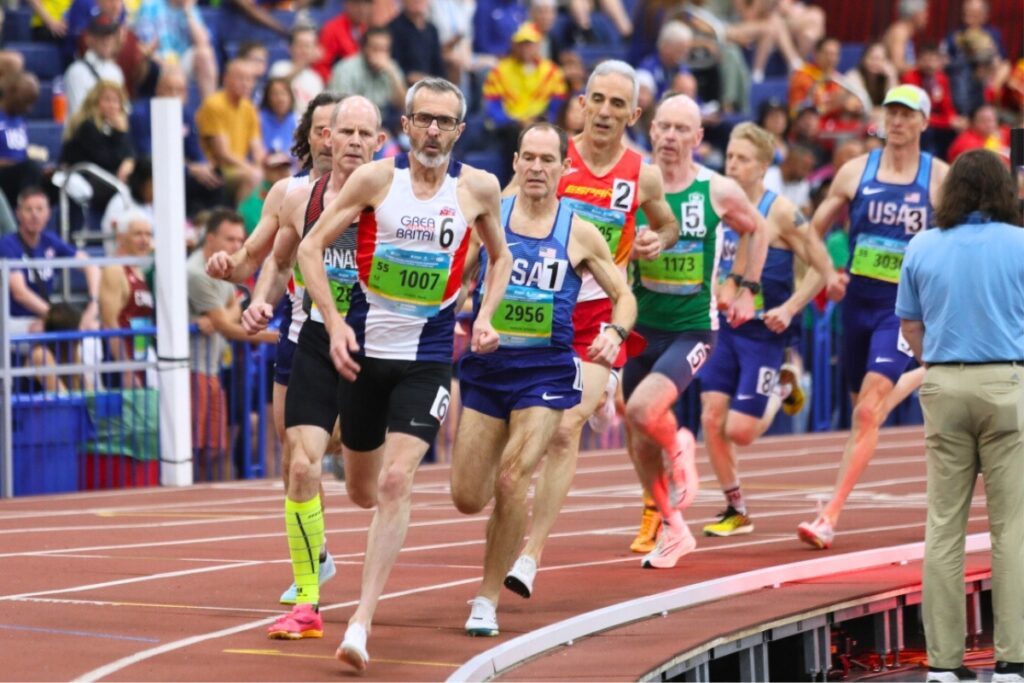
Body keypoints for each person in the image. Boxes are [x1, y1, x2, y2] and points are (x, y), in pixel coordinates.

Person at [295, 77, 511, 671]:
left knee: (395, 482)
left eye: (445, 121)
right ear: (407, 124)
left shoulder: (479, 189)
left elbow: (502, 256)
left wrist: (486, 315)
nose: (434, 131)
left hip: (429, 359)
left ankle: (360, 622)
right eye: (424, 119)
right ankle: (348, 491)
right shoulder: (375, 181)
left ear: (459, 131)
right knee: (362, 489)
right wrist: (336, 325)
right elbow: (309, 249)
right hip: (365, 356)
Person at [450, 122, 637, 636]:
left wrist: (615, 334)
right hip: (490, 368)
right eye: (527, 158)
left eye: (546, 159)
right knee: (468, 495)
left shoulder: (578, 231)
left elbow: (624, 295)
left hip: (545, 374)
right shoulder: (493, 220)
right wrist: (471, 319)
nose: (536, 167)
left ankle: (486, 598)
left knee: (513, 480)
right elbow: (460, 279)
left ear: (563, 168)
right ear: (515, 163)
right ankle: (507, 518)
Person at [504, 60, 678, 589]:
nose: (604, 111)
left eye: (617, 104)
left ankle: (531, 555)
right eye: (596, 99)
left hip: (601, 316)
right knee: (517, 441)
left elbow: (666, 222)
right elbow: (506, 210)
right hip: (538, 306)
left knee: (564, 428)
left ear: (635, 113)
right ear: (581, 103)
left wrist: (657, 239)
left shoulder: (641, 173)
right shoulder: (552, 158)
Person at [246, 95, 383, 630]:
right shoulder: (301, 198)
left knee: (365, 490)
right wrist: (255, 295)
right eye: (341, 132)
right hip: (317, 341)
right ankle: (308, 597)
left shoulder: (398, 198)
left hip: (381, 347)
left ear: (378, 142)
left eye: (361, 134)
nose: (350, 141)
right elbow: (275, 258)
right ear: (326, 138)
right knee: (300, 462)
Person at [618, 96, 772, 566]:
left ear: (698, 138)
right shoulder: (636, 182)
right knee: (636, 433)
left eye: (681, 129)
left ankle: (679, 445)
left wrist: (742, 285)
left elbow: (756, 229)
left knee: (644, 410)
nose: (668, 137)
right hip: (641, 326)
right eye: (662, 127)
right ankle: (674, 528)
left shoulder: (716, 189)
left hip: (693, 330)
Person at [797, 84, 949, 549]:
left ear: (924, 121)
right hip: (855, 308)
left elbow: (959, 243)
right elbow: (809, 232)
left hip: (901, 313)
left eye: (907, 114)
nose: (897, 122)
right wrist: (826, 272)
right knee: (860, 406)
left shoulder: (939, 179)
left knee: (867, 410)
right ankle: (919, 378)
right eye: (891, 113)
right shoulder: (854, 172)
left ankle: (829, 516)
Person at [895, 149, 1024, 683]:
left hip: (944, 382)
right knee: (1012, 528)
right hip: (1007, 382)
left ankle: (944, 665)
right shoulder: (1020, 244)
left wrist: (941, 363)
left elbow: (909, 327)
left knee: (943, 527)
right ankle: (1013, 660)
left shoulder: (922, 244)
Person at [206, 92, 341, 601]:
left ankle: (351, 450)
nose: (331, 138)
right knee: (294, 458)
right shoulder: (288, 192)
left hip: (364, 335)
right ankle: (315, 561)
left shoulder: (377, 188)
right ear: (308, 136)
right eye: (322, 129)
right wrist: (234, 274)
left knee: (345, 456)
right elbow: (258, 258)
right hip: (303, 334)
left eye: (341, 128)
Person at [698, 122, 836, 538]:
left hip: (764, 333)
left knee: (740, 431)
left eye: (743, 159)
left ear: (762, 167)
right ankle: (735, 508)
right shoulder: (717, 200)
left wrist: (791, 307)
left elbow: (822, 264)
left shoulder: (779, 211)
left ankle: (782, 386)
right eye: (730, 157)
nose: (733, 165)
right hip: (723, 328)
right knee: (710, 419)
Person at [187, 209, 277, 481]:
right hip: (193, 367)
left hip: (213, 365)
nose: (237, 247)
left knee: (216, 443)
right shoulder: (197, 273)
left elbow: (228, 313)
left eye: (240, 240)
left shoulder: (227, 271)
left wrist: (226, 312)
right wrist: (274, 337)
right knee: (197, 443)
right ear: (210, 238)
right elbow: (227, 324)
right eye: (230, 240)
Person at [0, 187, 100, 335]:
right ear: (18, 214)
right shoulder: (7, 244)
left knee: (92, 327)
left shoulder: (50, 240)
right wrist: (58, 319)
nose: (35, 215)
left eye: (40, 209)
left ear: (48, 214)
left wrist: (93, 303)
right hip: (15, 320)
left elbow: (90, 266)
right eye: (29, 210)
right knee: (41, 331)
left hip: (46, 317)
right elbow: (20, 293)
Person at [98, 210, 154, 388]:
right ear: (121, 237)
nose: (145, 240)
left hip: (139, 354)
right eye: (138, 234)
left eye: (148, 234)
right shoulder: (115, 270)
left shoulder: (138, 270)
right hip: (120, 362)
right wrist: (126, 368)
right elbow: (110, 323)